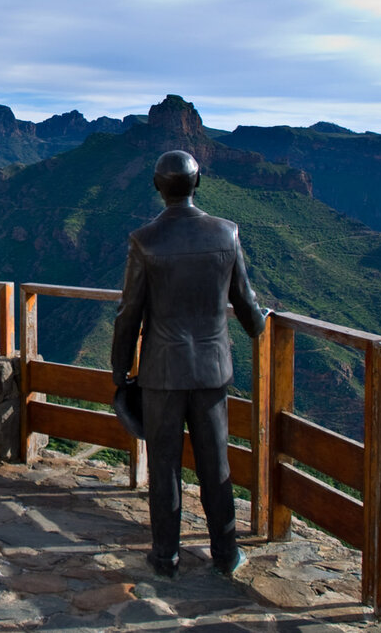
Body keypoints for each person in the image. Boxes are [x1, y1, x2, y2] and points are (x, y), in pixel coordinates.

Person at [110, 149, 268, 579]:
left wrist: (120, 372)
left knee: (164, 466)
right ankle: (226, 552)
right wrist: (259, 325)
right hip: (213, 370)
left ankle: (166, 556)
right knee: (216, 464)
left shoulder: (144, 241)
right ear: (198, 184)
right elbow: (246, 302)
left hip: (162, 371)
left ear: (158, 187)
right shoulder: (226, 233)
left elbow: (130, 313)